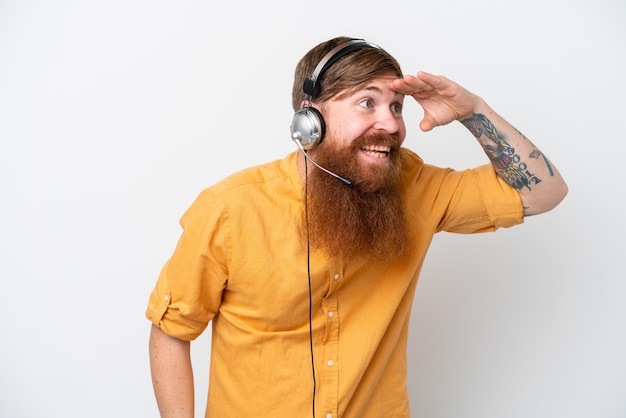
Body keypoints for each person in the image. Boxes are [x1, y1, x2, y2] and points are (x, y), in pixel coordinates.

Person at [146, 36, 567, 418]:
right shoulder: (230, 209)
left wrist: (473, 111)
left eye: (396, 107)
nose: (391, 125)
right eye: (368, 103)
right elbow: (171, 331)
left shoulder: (416, 188)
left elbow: (544, 192)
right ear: (310, 120)